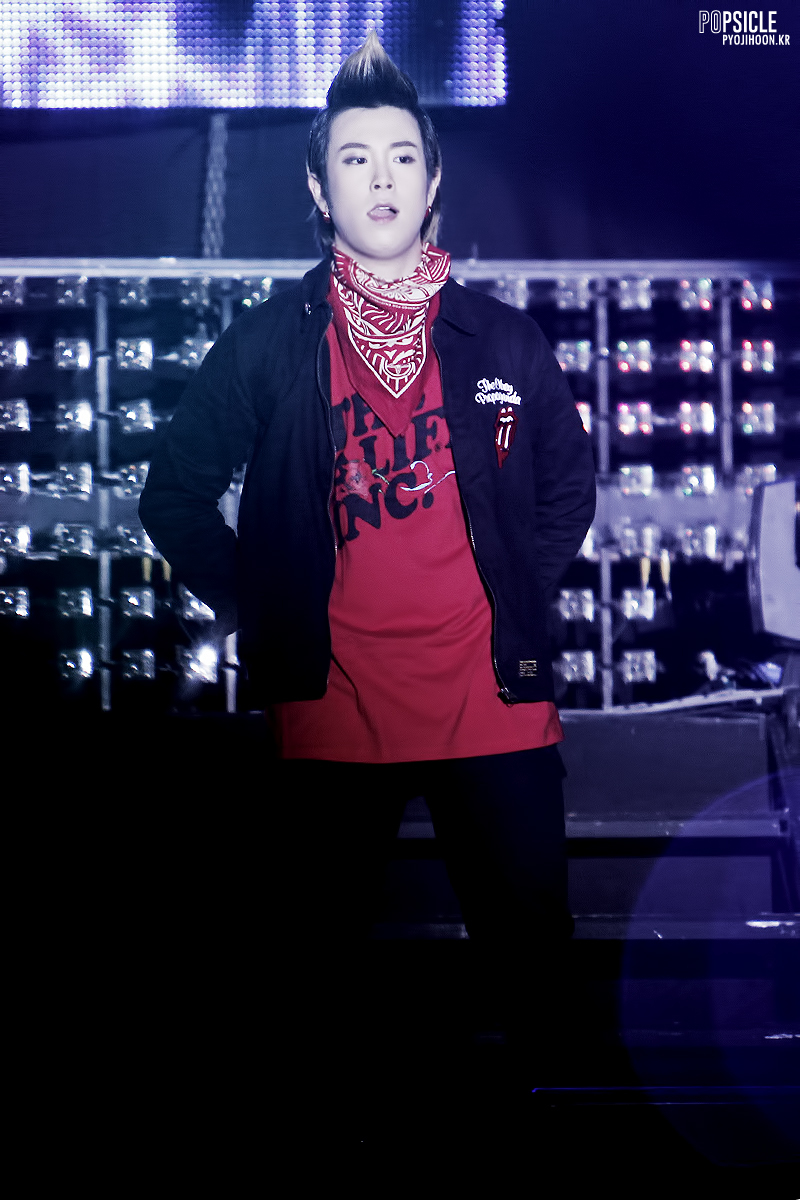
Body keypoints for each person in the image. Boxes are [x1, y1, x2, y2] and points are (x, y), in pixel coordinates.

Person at [139, 29, 595, 1151]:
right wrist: (264, 604)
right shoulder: (269, 342)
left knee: (539, 990)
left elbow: (564, 488)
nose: (381, 179)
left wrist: (510, 600)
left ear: (432, 182)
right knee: (310, 1001)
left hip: (493, 709)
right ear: (317, 188)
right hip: (334, 710)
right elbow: (174, 495)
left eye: (401, 158)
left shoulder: (502, 340)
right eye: (355, 159)